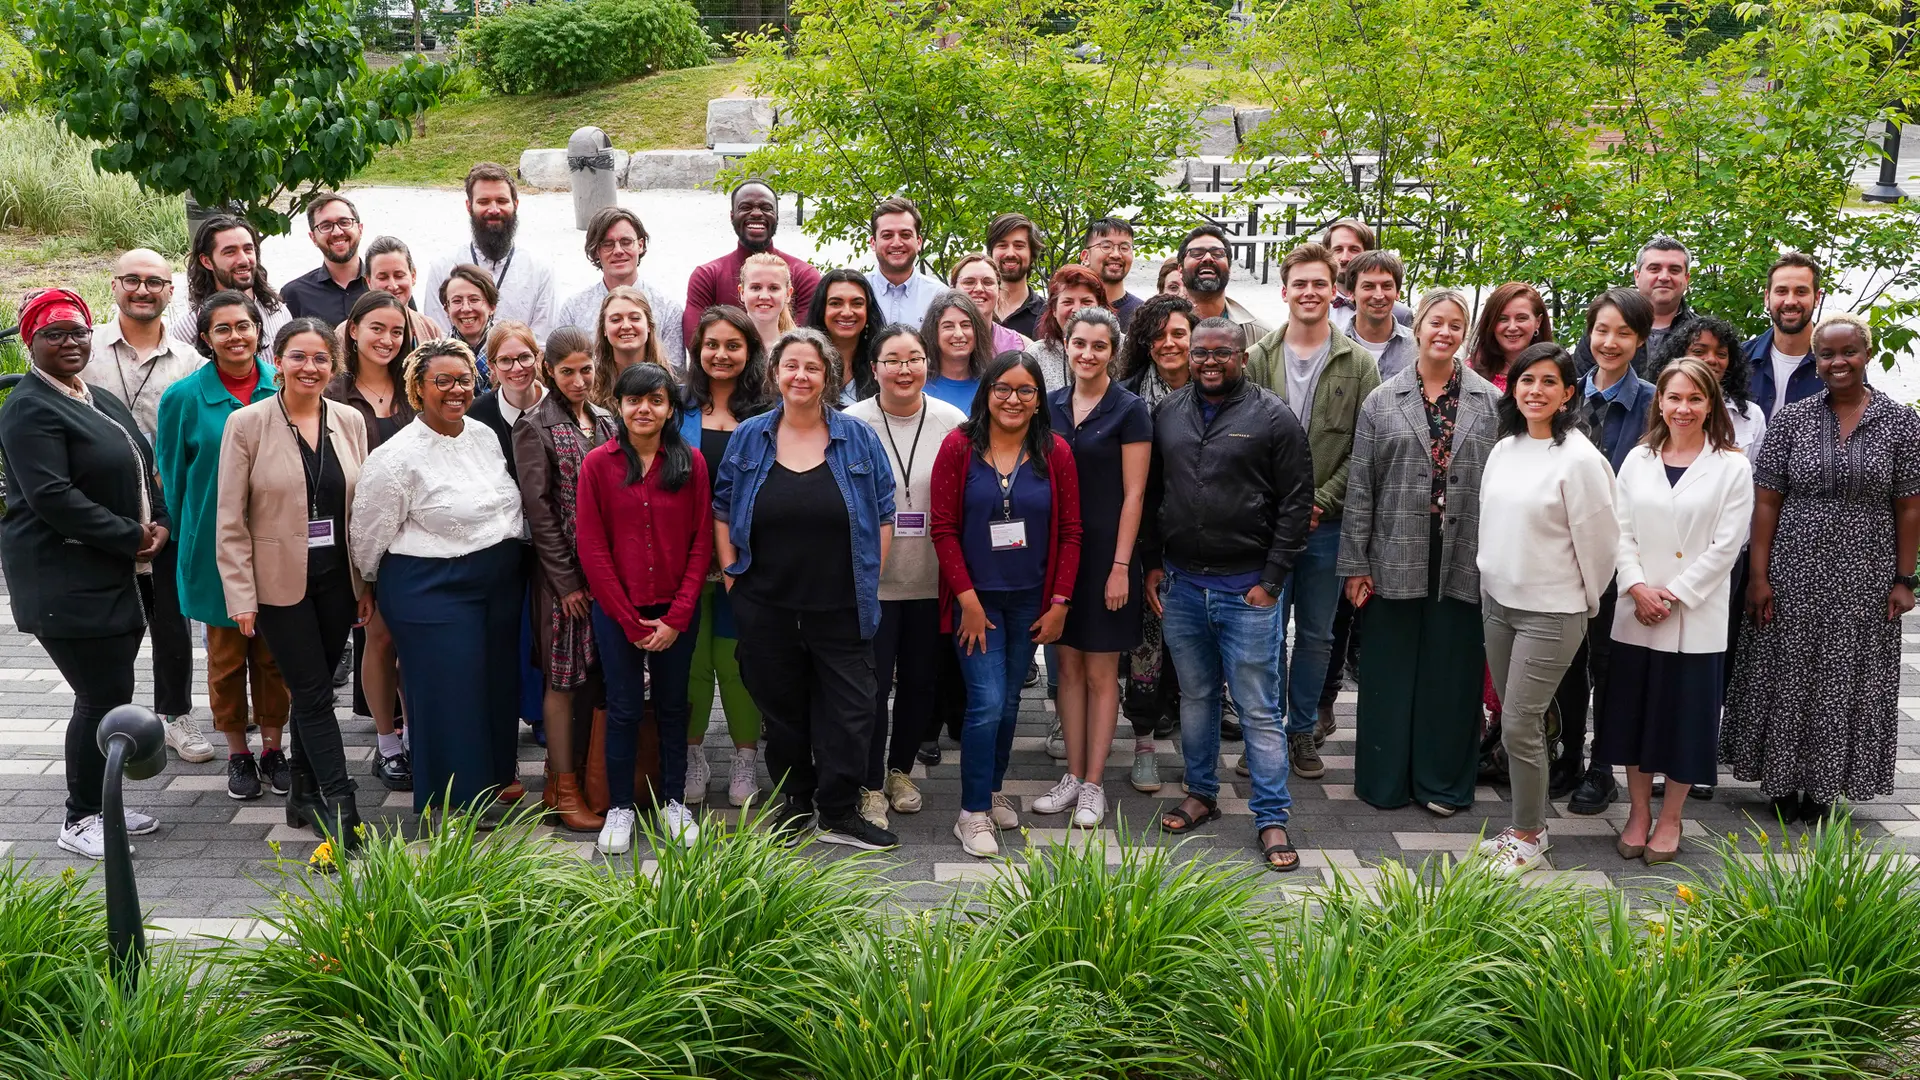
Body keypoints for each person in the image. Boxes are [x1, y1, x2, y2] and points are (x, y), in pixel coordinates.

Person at [1722, 315, 1920, 823]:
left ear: (1866, 354)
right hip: (1794, 569)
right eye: (1827, 354)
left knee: (1844, 678)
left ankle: (1826, 787)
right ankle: (1782, 783)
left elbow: (1909, 507)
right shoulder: (1793, 420)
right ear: (1816, 359)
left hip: (1866, 576)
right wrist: (1760, 576)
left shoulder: (1900, 423)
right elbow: (1766, 502)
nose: (1837, 362)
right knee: (1787, 676)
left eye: (1848, 352)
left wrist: (1904, 579)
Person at [0, 289, 170, 860]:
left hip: (113, 570)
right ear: (31, 342)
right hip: (63, 576)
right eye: (54, 334)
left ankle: (105, 804)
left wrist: (160, 521)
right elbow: (52, 496)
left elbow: (143, 465)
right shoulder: (28, 408)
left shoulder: (94, 397)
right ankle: (80, 817)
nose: (70, 343)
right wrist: (131, 535)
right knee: (98, 695)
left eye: (77, 332)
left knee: (111, 689)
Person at [715, 328, 899, 850]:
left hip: (841, 605)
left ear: (827, 377)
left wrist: (868, 573)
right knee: (784, 712)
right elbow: (723, 508)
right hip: (766, 604)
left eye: (811, 367)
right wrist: (733, 578)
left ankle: (839, 812)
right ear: (775, 373)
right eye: (790, 365)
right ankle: (796, 803)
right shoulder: (750, 436)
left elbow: (885, 512)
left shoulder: (857, 437)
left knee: (850, 712)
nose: (801, 375)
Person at [1143, 317, 1313, 872]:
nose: (1209, 362)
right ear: (1188, 356)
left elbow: (1295, 502)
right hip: (1183, 585)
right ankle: (1201, 792)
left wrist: (1271, 582)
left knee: (1260, 711)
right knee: (1196, 699)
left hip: (1248, 592)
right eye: (1200, 353)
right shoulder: (1168, 411)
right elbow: (1151, 495)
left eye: (1222, 353)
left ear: (1243, 356)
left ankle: (1271, 816)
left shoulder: (1272, 417)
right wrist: (1151, 566)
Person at [1339, 289, 1501, 814]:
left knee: (1451, 671)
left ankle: (1443, 783)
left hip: (1465, 552)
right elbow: (1360, 486)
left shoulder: (1491, 403)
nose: (1445, 332)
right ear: (1420, 326)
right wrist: (1355, 564)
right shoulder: (1382, 399)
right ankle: (1385, 780)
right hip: (1394, 551)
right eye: (1436, 321)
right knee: (1389, 669)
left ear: (1466, 334)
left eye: (1457, 325)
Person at [215, 319, 373, 849]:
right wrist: (240, 595)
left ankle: (302, 793)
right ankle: (343, 805)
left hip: (337, 580)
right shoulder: (247, 424)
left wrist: (367, 583)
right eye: (299, 357)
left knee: (316, 690)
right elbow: (230, 518)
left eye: (321, 359)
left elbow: (364, 509)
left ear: (335, 365)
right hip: (277, 584)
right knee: (310, 692)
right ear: (277, 360)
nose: (311, 368)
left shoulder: (349, 420)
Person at [350, 340, 526, 815]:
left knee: (493, 686)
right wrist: (366, 586)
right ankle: (452, 805)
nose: (455, 390)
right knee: (450, 691)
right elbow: (368, 532)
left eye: (464, 380)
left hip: (499, 583)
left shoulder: (483, 435)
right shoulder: (396, 456)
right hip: (432, 587)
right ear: (418, 388)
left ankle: (489, 784)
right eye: (442, 381)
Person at [1595, 358, 1751, 862]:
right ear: (1659, 401)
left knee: (1684, 723)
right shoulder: (1639, 459)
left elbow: (1728, 546)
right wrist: (1637, 586)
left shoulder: (1732, 465)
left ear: (1711, 405)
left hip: (1694, 617)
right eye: (1674, 398)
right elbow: (1620, 532)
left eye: (1695, 399)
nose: (1683, 408)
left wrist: (1675, 593)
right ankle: (1638, 814)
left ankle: (1671, 818)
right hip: (1636, 612)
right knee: (1634, 719)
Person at [1475, 342, 1620, 876]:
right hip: (1498, 603)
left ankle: (1530, 838)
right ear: (1513, 387)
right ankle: (1521, 825)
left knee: (1519, 723)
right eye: (1526, 380)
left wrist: (1579, 604)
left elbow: (1603, 547)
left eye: (1548, 383)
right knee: (1516, 721)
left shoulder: (1581, 459)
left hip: (1551, 612)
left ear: (1568, 394)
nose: (1535, 391)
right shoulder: (1505, 448)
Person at [931, 351, 1082, 855]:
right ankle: (971, 813)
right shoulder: (958, 447)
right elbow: (945, 530)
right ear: (987, 392)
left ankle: (991, 788)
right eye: (1003, 388)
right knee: (987, 702)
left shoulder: (1055, 452)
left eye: (1025, 391)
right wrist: (967, 601)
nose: (1013, 399)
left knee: (1012, 701)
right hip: (977, 602)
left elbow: (1072, 533)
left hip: (1031, 602)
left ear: (1039, 400)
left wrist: (1060, 601)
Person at [1245, 243, 1382, 781]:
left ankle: (1302, 729)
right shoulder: (1258, 359)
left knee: (1319, 635)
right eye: (1299, 284)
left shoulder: (1358, 362)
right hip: (1267, 527)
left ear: (1334, 291)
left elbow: (1363, 450)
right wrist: (1279, 507)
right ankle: (1265, 732)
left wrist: (1319, 501)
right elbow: (1245, 442)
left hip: (1328, 527)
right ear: (1284, 292)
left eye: (1319, 284)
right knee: (1265, 631)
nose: (1309, 293)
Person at [157, 291, 291, 801]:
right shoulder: (183, 398)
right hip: (213, 550)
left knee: (275, 655)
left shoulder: (280, 387)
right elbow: (174, 480)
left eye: (245, 326)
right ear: (206, 338)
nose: (236, 337)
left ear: (259, 330)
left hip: (277, 545)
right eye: (223, 329)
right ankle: (238, 753)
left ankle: (274, 748)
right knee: (228, 657)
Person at [575, 362, 712, 852]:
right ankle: (620, 807)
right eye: (634, 400)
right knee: (625, 707)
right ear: (619, 405)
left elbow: (701, 544)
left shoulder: (690, 463)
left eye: (655, 399)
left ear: (670, 407)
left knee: (674, 707)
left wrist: (676, 617)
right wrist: (628, 619)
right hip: (618, 612)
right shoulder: (598, 464)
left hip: (677, 610)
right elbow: (591, 547)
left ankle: (674, 802)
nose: (644, 409)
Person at [1030, 308, 1148, 829]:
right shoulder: (1048, 405)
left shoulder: (1130, 409)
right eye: (1079, 344)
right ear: (1067, 345)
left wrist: (1121, 566)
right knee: (1067, 669)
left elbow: (1135, 493)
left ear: (1113, 351)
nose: (1087, 354)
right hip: (1056, 555)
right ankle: (1073, 776)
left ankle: (1095, 783)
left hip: (1106, 555)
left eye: (1099, 346)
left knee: (1101, 672)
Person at [848, 326, 967, 828]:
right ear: (873, 367)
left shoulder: (953, 421)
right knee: (870, 688)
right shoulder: (851, 422)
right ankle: (869, 782)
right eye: (891, 360)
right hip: (872, 582)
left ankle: (901, 771)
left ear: (927, 365)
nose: (903, 370)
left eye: (914, 359)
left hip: (931, 580)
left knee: (921, 682)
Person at [88, 249, 205, 762]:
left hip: (166, 509)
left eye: (154, 282)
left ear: (170, 291)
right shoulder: (82, 348)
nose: (142, 290)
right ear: (113, 285)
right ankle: (99, 715)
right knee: (104, 619)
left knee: (172, 620)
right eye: (131, 280)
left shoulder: (190, 362)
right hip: (96, 510)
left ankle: (175, 715)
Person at [514, 326, 618, 833]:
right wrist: (567, 581)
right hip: (563, 579)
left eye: (586, 369)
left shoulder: (603, 419)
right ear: (548, 371)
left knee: (593, 675)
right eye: (568, 371)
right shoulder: (535, 425)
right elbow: (539, 512)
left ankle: (572, 782)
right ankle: (563, 788)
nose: (579, 380)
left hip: (605, 571)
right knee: (562, 677)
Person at [1561, 287, 1655, 813]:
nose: (1610, 341)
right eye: (1602, 329)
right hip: (1564, 556)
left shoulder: (1653, 404)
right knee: (1569, 661)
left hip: (1622, 560)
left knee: (1608, 664)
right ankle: (1569, 756)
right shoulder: (1567, 394)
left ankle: (1603, 767)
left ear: (1639, 339)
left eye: (1623, 332)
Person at [680, 306, 773, 807]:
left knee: (737, 659)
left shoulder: (766, 411)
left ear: (750, 352)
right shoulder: (677, 406)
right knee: (693, 657)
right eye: (712, 344)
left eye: (733, 345)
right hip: (687, 560)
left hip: (748, 559)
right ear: (698, 349)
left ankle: (743, 756)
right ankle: (693, 753)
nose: (721, 354)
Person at [325, 291, 418, 792]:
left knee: (413, 644)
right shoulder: (334, 393)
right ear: (353, 330)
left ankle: (418, 731)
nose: (387, 339)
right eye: (377, 328)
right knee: (378, 639)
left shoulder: (416, 387)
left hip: (418, 538)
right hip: (362, 538)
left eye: (397, 331)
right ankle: (388, 744)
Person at [1115, 294, 1195, 783]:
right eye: (1159, 334)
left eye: (1179, 333)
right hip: (1148, 546)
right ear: (1144, 341)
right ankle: (1143, 743)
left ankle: (1197, 761)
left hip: (1205, 547)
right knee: (1146, 651)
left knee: (1196, 659)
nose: (1169, 343)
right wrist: (1148, 560)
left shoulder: (1222, 394)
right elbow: (1131, 491)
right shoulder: (1126, 399)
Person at [421, 163, 556, 341]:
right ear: (469, 206)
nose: (493, 210)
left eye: (502, 201)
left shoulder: (540, 271)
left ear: (515, 204)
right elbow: (437, 337)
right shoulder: (442, 268)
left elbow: (541, 343)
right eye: (483, 202)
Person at [682, 179, 823, 347]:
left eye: (766, 208)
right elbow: (696, 344)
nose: (756, 213)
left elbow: (811, 345)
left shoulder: (804, 275)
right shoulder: (707, 276)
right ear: (732, 215)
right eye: (746, 207)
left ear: (776, 216)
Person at [557, 206, 687, 368]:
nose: (618, 251)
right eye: (608, 244)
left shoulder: (668, 309)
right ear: (596, 250)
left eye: (626, 242)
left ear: (640, 245)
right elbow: (564, 369)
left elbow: (675, 373)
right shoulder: (574, 309)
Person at [1573, 236, 1693, 379]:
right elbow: (1578, 386)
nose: (1664, 277)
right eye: (1654, 269)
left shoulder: (1699, 334)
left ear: (1686, 279)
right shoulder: (1602, 330)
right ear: (1637, 276)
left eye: (1674, 270)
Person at [172, 215, 292, 350]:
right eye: (230, 252)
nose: (244, 260)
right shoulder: (188, 330)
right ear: (207, 261)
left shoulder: (278, 313)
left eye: (248, 249)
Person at [1660, 316, 1765, 456]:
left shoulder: (1751, 415)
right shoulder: (1661, 406)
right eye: (1698, 352)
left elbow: (1754, 474)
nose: (1711, 359)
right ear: (1679, 355)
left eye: (1721, 354)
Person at [1745, 251, 1825, 420]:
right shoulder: (1739, 359)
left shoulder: (1839, 366)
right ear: (1767, 298)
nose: (1790, 301)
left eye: (1801, 292)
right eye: (1781, 291)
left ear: (1817, 298)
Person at [467, 321, 545, 478]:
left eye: (524, 357)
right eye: (505, 360)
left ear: (537, 358)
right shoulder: (475, 415)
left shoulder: (558, 406)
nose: (517, 368)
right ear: (491, 365)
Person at [279, 194, 369, 326]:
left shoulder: (388, 284)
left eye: (344, 222)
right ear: (313, 238)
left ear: (360, 229)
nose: (337, 232)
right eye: (325, 226)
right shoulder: (294, 295)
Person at [1177, 225, 1271, 348]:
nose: (1208, 258)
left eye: (1217, 253)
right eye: (1196, 253)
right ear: (1180, 270)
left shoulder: (1260, 337)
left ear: (1229, 268)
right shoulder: (1159, 330)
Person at [1321, 218, 1413, 330]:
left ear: (1368, 254)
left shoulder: (1401, 314)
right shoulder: (1313, 306)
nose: (1344, 258)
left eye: (1354, 249)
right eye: (1338, 249)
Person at [865, 196, 944, 326]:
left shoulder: (939, 297)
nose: (896, 243)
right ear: (873, 243)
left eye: (905, 235)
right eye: (887, 235)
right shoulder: (857, 292)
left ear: (919, 242)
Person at [805, 268, 881, 401]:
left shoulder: (882, 365)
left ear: (868, 310)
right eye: (835, 303)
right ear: (822, 309)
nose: (847, 313)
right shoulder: (801, 363)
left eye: (857, 304)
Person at [1338, 250, 1416, 381]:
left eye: (1386, 286)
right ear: (1351, 293)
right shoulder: (1333, 347)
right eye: (1368, 286)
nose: (1379, 295)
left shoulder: (1418, 348)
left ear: (1397, 293)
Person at [1030, 264, 1109, 391]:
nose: (1077, 310)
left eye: (1086, 302)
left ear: (1101, 307)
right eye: (1067, 302)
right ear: (1054, 310)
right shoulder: (1037, 355)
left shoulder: (1122, 348)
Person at [1466, 281, 1555, 390]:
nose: (1512, 327)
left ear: (1538, 322)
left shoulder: (1556, 370)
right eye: (1502, 319)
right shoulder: (1469, 374)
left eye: (1521, 318)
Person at [355, 236, 446, 341]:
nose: (393, 286)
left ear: (413, 276)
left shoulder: (431, 331)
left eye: (399, 275)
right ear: (369, 281)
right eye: (382, 277)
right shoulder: (346, 334)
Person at [589, 286, 667, 407]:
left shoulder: (673, 382)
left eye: (635, 318)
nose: (626, 326)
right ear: (604, 329)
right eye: (615, 320)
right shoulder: (589, 386)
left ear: (649, 326)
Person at [920, 291, 995, 412]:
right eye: (948, 326)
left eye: (965, 325)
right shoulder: (918, 385)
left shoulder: (992, 385)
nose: (959, 334)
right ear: (933, 332)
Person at [947, 254, 1029, 354]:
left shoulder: (1021, 346)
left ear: (999, 291)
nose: (979, 289)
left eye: (988, 282)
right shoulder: (934, 344)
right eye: (969, 282)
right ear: (953, 290)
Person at [987, 211, 1047, 337]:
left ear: (1032, 254)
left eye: (1019, 246)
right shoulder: (973, 309)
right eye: (1002, 245)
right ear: (991, 253)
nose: (1010, 253)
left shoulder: (1048, 315)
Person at [1079, 217, 1145, 331]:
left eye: (1124, 248)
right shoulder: (1068, 308)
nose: (1116, 254)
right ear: (1086, 257)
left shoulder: (1143, 314)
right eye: (1106, 246)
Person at [439, 265, 500, 373]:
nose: (466, 309)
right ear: (447, 309)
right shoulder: (437, 357)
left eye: (474, 300)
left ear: (492, 307)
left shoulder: (509, 349)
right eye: (457, 301)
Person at [739, 252, 797, 350]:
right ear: (742, 292)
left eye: (773, 288)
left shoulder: (798, 349)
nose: (764, 296)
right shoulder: (726, 345)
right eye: (756, 287)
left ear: (788, 294)